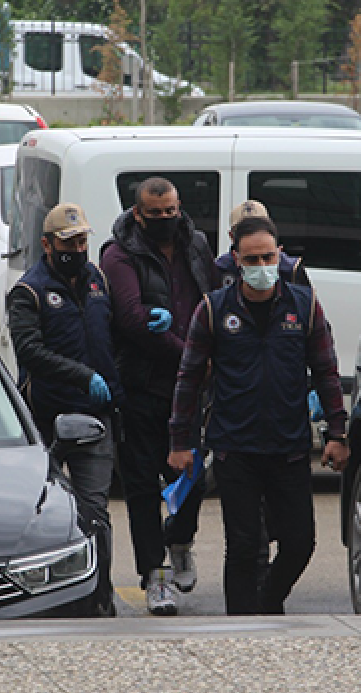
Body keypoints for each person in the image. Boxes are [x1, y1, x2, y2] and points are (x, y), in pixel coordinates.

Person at [168, 215, 349, 615]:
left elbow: (326, 370)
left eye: (268, 257)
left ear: (280, 255)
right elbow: (188, 379)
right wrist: (180, 442)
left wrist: (337, 431)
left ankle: (267, 602)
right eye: (252, 259)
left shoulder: (304, 306)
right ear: (235, 261)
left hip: (289, 447)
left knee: (300, 542)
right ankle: (241, 628)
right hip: (236, 449)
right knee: (244, 547)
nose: (262, 267)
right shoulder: (213, 311)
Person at [101, 176, 217, 616]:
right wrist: (190, 354)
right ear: (138, 214)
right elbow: (131, 318)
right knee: (142, 489)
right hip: (142, 387)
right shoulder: (119, 254)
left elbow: (213, 296)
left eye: (172, 211)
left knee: (194, 476)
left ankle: (181, 540)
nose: (166, 219)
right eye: (156, 214)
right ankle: (155, 575)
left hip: (189, 391)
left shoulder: (196, 244)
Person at [7, 202, 121, 617]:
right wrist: (80, 375)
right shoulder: (29, 291)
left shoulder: (97, 281)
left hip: (94, 420)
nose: (77, 247)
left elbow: (114, 337)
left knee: (94, 513)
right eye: (68, 241)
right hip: (47, 422)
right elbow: (28, 350)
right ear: (48, 244)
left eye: (82, 239)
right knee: (42, 517)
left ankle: (100, 596)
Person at [213, 200, 310, 289]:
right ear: (231, 236)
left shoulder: (291, 269)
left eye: (259, 228)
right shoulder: (221, 268)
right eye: (243, 231)